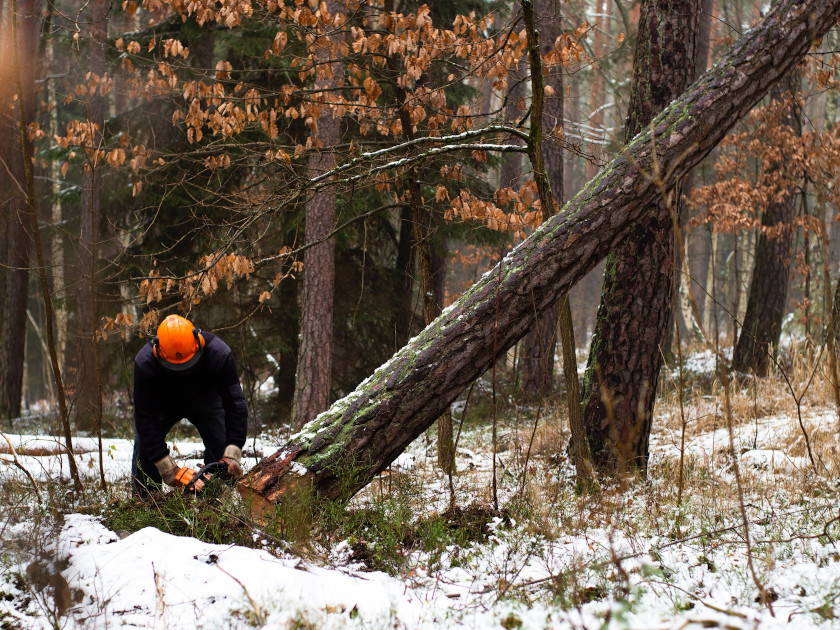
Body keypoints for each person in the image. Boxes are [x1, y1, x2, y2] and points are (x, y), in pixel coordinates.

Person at [132, 314, 248, 495]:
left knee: (221, 444)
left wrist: (232, 452)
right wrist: (166, 467)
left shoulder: (219, 354)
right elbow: (144, 417)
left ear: (199, 343)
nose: (184, 372)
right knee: (144, 448)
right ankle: (145, 502)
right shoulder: (145, 363)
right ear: (158, 352)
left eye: (189, 365)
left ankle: (214, 498)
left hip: (207, 400)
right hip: (163, 404)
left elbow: (236, 404)